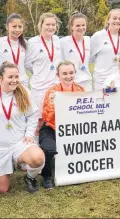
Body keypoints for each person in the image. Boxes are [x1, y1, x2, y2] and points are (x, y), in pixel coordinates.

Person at [0, 61, 45, 194]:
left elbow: (33, 115)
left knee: (38, 158)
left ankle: (30, 177)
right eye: (10, 77)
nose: (14, 80)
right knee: (1, 189)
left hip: (18, 143)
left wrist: (29, 134)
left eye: (17, 77)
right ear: (0, 78)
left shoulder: (24, 92)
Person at [39, 60, 85, 189]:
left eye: (71, 73)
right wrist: (53, 104)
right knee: (49, 149)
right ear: (58, 75)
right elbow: (46, 117)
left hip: (73, 128)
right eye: (64, 73)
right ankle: (47, 176)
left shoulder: (81, 90)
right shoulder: (52, 91)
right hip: (52, 127)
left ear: (75, 73)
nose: (68, 76)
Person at [25, 12, 63, 135]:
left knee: (55, 118)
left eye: (53, 24)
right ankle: (37, 149)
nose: (50, 27)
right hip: (39, 87)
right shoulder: (33, 42)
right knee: (39, 120)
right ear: (41, 24)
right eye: (47, 24)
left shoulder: (57, 40)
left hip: (55, 88)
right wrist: (39, 74)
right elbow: (27, 64)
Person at [91, 8, 120, 90]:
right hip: (101, 80)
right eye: (114, 18)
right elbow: (91, 58)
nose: (117, 21)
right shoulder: (98, 36)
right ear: (108, 20)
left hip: (118, 80)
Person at [59, 12, 92, 91]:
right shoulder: (63, 42)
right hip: (70, 83)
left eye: (83, 25)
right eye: (77, 25)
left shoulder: (89, 40)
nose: (81, 28)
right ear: (71, 27)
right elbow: (59, 63)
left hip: (87, 82)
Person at [0, 13, 29, 87]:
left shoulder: (25, 43)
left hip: (22, 82)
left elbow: (27, 64)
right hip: (6, 82)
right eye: (14, 26)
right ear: (7, 27)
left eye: (20, 27)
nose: (17, 29)